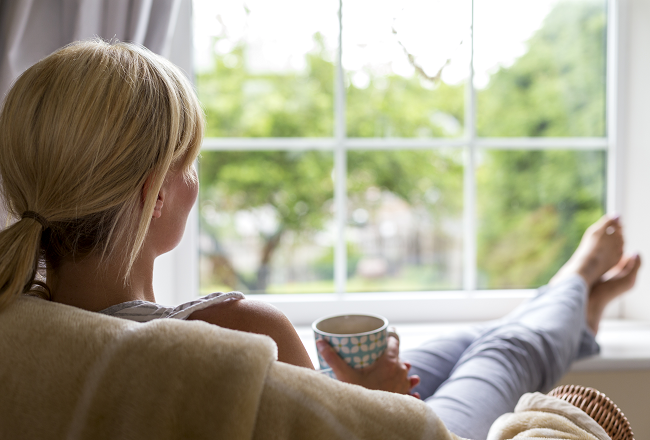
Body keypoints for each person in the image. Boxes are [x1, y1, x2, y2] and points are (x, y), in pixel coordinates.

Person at [0, 40, 640, 439]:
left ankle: (573, 308)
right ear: (155, 194)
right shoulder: (239, 329)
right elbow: (359, 430)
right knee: (508, 350)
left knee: (468, 339)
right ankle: (576, 285)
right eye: (186, 164)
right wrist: (377, 397)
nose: (193, 182)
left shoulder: (31, 322)